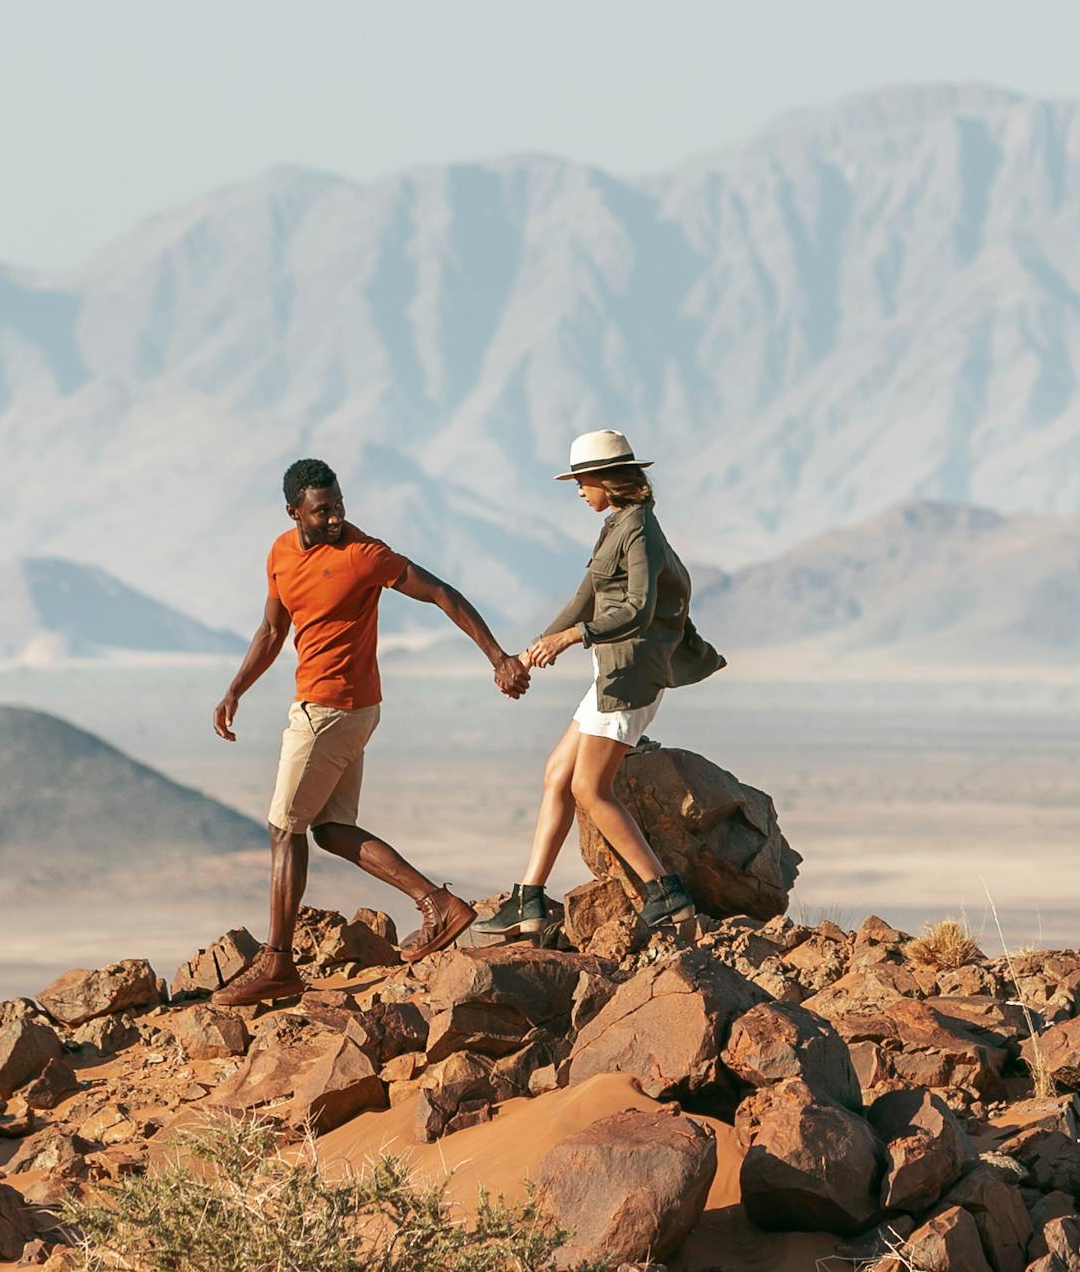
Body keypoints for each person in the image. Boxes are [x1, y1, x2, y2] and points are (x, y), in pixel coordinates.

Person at [211, 456, 531, 1007]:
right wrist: (236, 688)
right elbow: (271, 628)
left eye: (339, 506)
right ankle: (439, 904)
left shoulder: (364, 555)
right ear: (295, 513)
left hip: (332, 711)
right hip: (333, 709)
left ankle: (278, 963)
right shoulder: (281, 554)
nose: (336, 518)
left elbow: (441, 593)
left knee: (283, 829)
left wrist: (498, 657)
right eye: (323, 511)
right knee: (331, 829)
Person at [465, 427, 724, 947]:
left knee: (589, 787)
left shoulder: (641, 531)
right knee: (557, 774)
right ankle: (530, 899)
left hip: (633, 675)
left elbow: (638, 609)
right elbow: (585, 596)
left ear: (608, 479)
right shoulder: (615, 527)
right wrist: (532, 650)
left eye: (583, 481)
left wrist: (571, 638)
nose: (580, 491)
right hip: (611, 672)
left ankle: (665, 892)